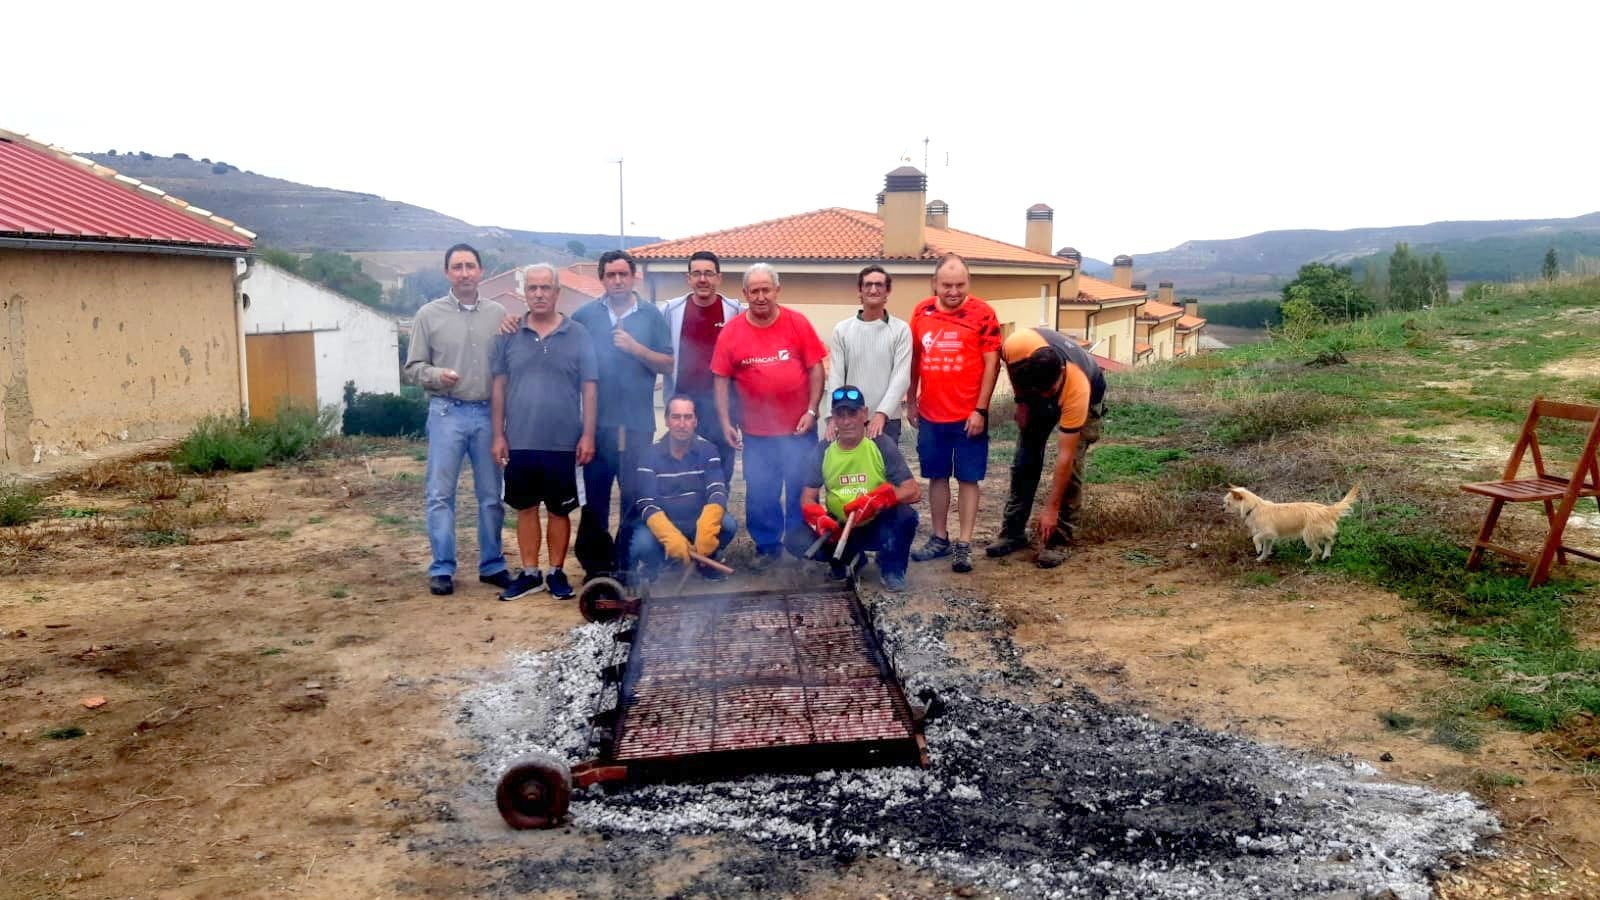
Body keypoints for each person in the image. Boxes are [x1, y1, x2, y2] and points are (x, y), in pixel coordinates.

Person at [403, 243, 514, 596]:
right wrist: (437, 376)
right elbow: (413, 369)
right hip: (446, 412)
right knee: (440, 494)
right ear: (447, 273)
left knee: (491, 494)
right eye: (457, 267)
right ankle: (442, 568)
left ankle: (492, 564)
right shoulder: (428, 315)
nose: (464, 272)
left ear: (481, 271)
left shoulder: (500, 314)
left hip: (487, 414)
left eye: (470, 266)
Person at [490, 264, 598, 601]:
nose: (539, 294)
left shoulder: (578, 334)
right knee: (524, 508)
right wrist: (498, 435)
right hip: (520, 439)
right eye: (532, 288)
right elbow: (499, 386)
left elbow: (590, 388)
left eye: (545, 288)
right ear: (524, 292)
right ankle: (529, 573)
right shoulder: (508, 334)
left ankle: (556, 572)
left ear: (557, 292)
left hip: (564, 441)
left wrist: (588, 435)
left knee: (559, 510)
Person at [711, 263, 827, 571]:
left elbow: (816, 367)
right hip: (756, 433)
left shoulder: (797, 323)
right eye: (755, 291)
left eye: (766, 290)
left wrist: (812, 411)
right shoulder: (732, 331)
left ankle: (800, 544)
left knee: (800, 487)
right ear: (745, 294)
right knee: (761, 491)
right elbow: (720, 379)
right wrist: (724, 422)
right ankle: (768, 547)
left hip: (798, 430)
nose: (761, 297)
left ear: (777, 290)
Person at [570, 250, 674, 580]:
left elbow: (668, 364)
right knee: (595, 499)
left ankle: (627, 561)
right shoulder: (584, 316)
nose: (617, 280)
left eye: (623, 275)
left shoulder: (651, 316)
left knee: (634, 497)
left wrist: (636, 349)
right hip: (596, 426)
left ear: (633, 277)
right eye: (610, 275)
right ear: (601, 279)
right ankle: (598, 567)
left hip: (638, 425)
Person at [907, 254, 1001, 574]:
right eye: (947, 285)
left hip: (968, 416)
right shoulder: (921, 311)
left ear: (968, 283)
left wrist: (981, 410)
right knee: (936, 476)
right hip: (932, 413)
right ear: (935, 283)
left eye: (960, 284)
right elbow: (915, 359)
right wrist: (910, 399)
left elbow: (992, 363)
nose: (953, 291)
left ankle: (964, 543)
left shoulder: (984, 314)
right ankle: (939, 537)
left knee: (968, 479)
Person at [987, 326, 1106, 568]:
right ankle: (1013, 532)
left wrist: (1050, 509)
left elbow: (1065, 456)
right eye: (1042, 391)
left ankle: (1059, 539)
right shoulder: (1016, 346)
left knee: (1071, 470)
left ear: (1060, 372)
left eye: (1050, 390)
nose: (1047, 396)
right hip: (1033, 392)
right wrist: (1021, 401)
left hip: (1089, 396)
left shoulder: (1076, 387)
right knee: (1024, 462)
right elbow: (1010, 366)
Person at [787, 385, 920, 591]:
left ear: (864, 413)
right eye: (841, 415)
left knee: (906, 516)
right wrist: (818, 518)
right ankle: (852, 559)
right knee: (794, 539)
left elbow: (912, 490)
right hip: (840, 528)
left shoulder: (880, 444)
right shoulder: (824, 450)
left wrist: (877, 501)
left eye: (853, 413)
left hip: (876, 524)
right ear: (833, 417)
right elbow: (807, 498)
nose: (847, 421)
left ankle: (892, 567)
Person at [629, 395, 738, 582]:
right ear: (667, 421)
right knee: (641, 543)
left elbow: (718, 490)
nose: (682, 423)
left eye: (687, 417)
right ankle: (659, 564)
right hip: (665, 521)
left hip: (697, 522)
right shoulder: (649, 454)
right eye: (676, 417)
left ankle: (705, 560)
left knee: (728, 525)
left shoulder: (708, 450)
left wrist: (707, 526)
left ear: (695, 421)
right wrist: (670, 536)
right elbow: (646, 502)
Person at [661, 250, 744, 482]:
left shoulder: (735, 311)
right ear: (688, 278)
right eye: (696, 274)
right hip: (682, 407)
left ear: (719, 277)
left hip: (722, 410)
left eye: (708, 273)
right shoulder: (671, 311)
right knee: (681, 472)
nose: (702, 279)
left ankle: (717, 515)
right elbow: (661, 351)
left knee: (720, 470)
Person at [822, 265, 912, 444]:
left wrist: (881, 414)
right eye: (868, 285)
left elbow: (901, 377)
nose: (873, 289)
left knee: (883, 471)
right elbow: (837, 377)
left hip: (886, 421)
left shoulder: (901, 330)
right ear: (860, 290)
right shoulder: (843, 330)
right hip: (849, 419)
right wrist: (832, 417)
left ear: (888, 291)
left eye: (879, 285)